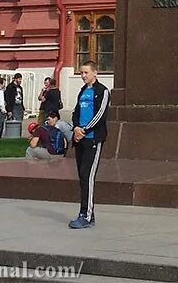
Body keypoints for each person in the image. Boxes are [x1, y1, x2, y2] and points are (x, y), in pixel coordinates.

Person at [70, 61, 110, 229]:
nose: (83, 75)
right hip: (81, 138)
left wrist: (84, 130)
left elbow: (101, 114)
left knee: (88, 176)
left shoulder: (102, 91)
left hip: (93, 139)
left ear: (95, 73)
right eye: (81, 73)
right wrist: (76, 128)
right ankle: (87, 214)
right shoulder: (83, 91)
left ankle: (86, 215)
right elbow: (76, 112)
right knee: (82, 175)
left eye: (86, 72)